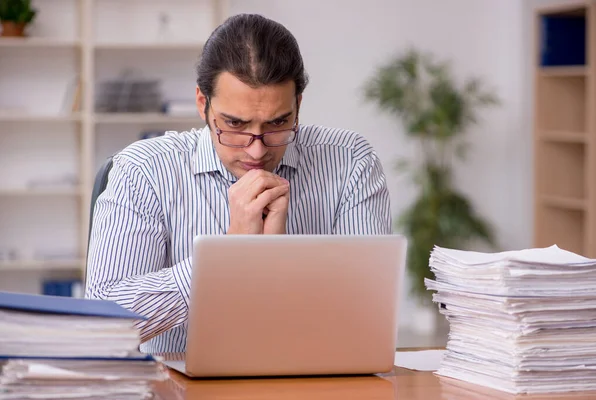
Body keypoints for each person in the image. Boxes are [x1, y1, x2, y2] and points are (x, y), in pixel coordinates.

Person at [85, 13, 392, 354]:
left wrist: (280, 262)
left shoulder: (350, 163)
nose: (257, 149)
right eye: (234, 124)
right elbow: (102, 325)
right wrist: (228, 255)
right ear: (203, 104)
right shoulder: (144, 171)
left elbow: (367, 317)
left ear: (298, 107)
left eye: (278, 123)